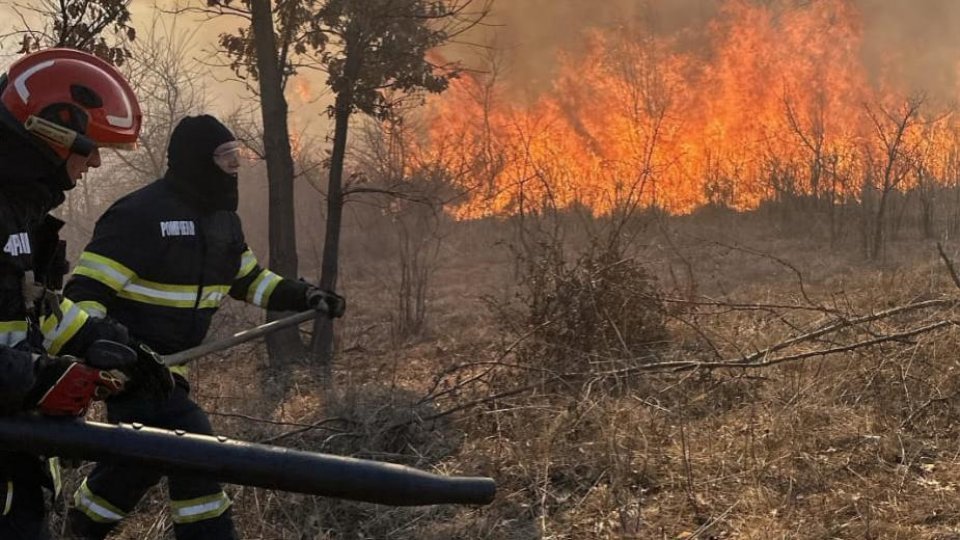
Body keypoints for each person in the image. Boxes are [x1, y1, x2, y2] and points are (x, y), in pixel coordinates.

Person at [62, 114, 346, 540]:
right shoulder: (140, 214)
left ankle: (78, 529)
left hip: (174, 370)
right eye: (224, 157)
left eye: (237, 156)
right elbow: (85, 292)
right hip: (135, 370)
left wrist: (304, 296)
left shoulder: (222, 221)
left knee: (135, 465)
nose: (234, 165)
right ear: (197, 160)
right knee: (197, 456)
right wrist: (112, 352)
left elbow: (249, 280)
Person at [0, 48, 156, 539]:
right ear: (54, 132)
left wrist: (111, 343)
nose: (96, 162)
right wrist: (35, 379)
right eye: (91, 148)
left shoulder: (19, 214)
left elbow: (28, 307)